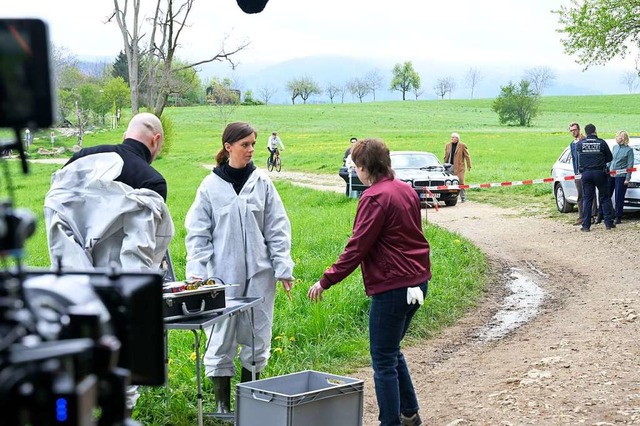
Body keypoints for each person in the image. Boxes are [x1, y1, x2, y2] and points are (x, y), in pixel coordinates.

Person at [44, 112, 174, 413]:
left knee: (75, 355)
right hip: (116, 288)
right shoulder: (150, 179)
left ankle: (72, 413)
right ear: (155, 140)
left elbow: (60, 212)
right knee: (122, 361)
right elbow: (140, 250)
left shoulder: (81, 159)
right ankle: (120, 414)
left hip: (72, 281)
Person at [308, 138, 430, 426]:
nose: (355, 171)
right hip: (419, 281)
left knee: (383, 359)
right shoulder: (405, 190)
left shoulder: (374, 197)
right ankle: (410, 413)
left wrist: (325, 281)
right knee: (392, 350)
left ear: (364, 167)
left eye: (355, 166)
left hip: (393, 287)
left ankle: (390, 422)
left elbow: (357, 247)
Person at [185, 122, 294, 414]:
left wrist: (283, 267)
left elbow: (277, 228)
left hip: (260, 275)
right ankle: (221, 406)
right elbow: (198, 233)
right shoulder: (210, 186)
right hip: (220, 277)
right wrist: (196, 273)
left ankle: (250, 404)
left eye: (253, 145)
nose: (250, 150)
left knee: (257, 336)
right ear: (228, 146)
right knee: (220, 337)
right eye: (244, 144)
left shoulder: (262, 182)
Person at [577, 123, 614, 231]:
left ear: (586, 132)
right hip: (599, 173)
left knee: (588, 199)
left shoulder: (581, 144)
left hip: (586, 174)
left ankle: (586, 225)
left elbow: (579, 156)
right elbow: (609, 157)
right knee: (604, 197)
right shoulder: (601, 143)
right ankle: (608, 223)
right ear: (595, 131)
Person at [607, 130, 634, 224]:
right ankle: (607, 214)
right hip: (611, 175)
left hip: (621, 176)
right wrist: (606, 169)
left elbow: (630, 165)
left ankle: (618, 216)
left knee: (619, 197)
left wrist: (627, 178)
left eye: (617, 136)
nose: (616, 138)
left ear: (622, 138)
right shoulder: (614, 147)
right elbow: (610, 160)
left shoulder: (629, 150)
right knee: (607, 195)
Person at [568, 122, 590, 226]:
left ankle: (592, 215)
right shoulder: (572, 144)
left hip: (587, 172)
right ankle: (581, 216)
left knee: (590, 195)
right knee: (580, 195)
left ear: (579, 129)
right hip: (577, 173)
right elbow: (574, 159)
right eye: (571, 130)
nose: (573, 132)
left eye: (575, 130)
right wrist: (575, 172)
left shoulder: (585, 141)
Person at [443, 132, 472, 202]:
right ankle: (449, 197)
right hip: (449, 166)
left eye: (453, 137)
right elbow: (446, 155)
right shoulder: (448, 145)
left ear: (457, 138)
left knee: (461, 182)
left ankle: (463, 197)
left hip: (459, 167)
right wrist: (444, 164)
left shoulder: (462, 145)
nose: (451, 139)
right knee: (448, 182)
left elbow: (467, 156)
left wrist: (469, 165)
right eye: (451, 137)